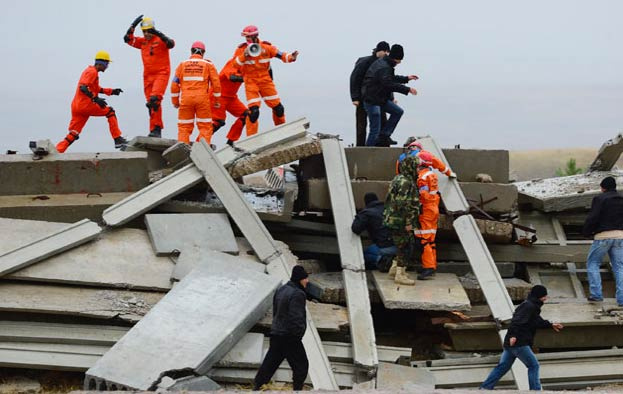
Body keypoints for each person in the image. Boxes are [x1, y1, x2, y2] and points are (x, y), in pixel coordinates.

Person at [480, 285, 564, 390]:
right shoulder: (529, 306)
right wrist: (513, 336)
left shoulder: (531, 306)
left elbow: (537, 321)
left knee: (503, 367)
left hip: (512, 343)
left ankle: (485, 388)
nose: (546, 298)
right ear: (539, 296)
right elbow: (516, 321)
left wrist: (551, 325)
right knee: (533, 365)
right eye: (544, 296)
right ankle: (535, 391)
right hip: (519, 342)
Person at [233, 25, 298, 136]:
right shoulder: (241, 49)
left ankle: (282, 132)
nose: (247, 39)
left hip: (265, 81)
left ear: (255, 36)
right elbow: (235, 64)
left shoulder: (266, 47)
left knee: (279, 109)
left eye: (248, 37)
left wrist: (291, 57)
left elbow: (281, 55)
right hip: (250, 82)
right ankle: (251, 139)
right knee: (254, 113)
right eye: (246, 37)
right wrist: (244, 56)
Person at [56, 51, 126, 153]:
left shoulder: (91, 72)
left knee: (74, 132)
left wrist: (112, 91)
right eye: (107, 64)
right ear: (102, 63)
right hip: (85, 105)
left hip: (77, 106)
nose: (107, 67)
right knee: (110, 111)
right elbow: (83, 87)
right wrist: (95, 99)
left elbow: (96, 89)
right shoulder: (92, 72)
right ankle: (118, 139)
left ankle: (58, 150)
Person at [254, 265, 309, 391]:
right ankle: (297, 390)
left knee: (269, 366)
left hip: (276, 334)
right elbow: (296, 317)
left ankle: (256, 388)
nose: (307, 281)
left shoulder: (281, 290)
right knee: (301, 366)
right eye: (305, 278)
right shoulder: (298, 294)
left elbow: (276, 313)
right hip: (290, 337)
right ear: (300, 279)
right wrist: (298, 335)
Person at [124, 15, 175, 138]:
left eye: (149, 31)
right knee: (149, 103)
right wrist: (132, 26)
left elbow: (171, 43)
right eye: (144, 31)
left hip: (161, 73)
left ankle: (157, 129)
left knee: (154, 99)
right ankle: (154, 129)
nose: (146, 34)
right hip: (147, 76)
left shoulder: (161, 40)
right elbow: (128, 39)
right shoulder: (143, 42)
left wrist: (157, 33)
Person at [361, 44, 418, 147]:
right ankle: (368, 151)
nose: (400, 63)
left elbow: (390, 78)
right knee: (375, 129)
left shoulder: (386, 64)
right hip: (371, 99)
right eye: (399, 60)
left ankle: (384, 136)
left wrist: (406, 78)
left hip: (380, 98)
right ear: (395, 58)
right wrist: (408, 89)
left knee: (398, 111)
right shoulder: (384, 67)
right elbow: (388, 84)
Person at [582, 176, 623, 306]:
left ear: (603, 187)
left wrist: (586, 232)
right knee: (619, 267)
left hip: (602, 237)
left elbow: (593, 217)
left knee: (593, 263)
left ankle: (596, 295)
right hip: (620, 237)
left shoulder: (600, 199)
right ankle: (622, 299)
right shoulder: (621, 200)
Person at [170, 41, 221, 145]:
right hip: (202, 100)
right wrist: (216, 101)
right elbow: (216, 85)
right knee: (205, 126)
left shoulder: (182, 65)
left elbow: (174, 85)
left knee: (184, 127)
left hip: (186, 100)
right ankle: (202, 151)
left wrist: (175, 102)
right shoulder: (208, 65)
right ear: (203, 52)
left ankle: (183, 150)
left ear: (191, 51)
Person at [383, 154, 421, 285]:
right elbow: (402, 204)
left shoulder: (398, 178)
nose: (418, 170)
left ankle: (395, 269)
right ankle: (400, 274)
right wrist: (408, 222)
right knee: (405, 246)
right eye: (417, 167)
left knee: (401, 245)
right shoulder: (406, 182)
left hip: (393, 218)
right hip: (400, 220)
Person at [350, 41, 390, 146]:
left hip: (378, 99)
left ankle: (382, 145)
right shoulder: (364, 61)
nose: (386, 54)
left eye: (388, 52)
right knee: (361, 125)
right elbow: (354, 78)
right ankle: (360, 146)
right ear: (379, 50)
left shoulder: (385, 64)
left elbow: (387, 82)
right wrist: (355, 98)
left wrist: (391, 97)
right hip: (363, 99)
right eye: (385, 51)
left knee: (382, 122)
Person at [351, 192, 397, 270]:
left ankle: (382, 261)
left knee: (363, 255)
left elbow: (355, 228)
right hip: (398, 246)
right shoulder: (388, 209)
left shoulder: (367, 213)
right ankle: (393, 260)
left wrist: (359, 216)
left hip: (384, 247)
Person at [211, 57, 250, 147]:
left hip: (231, 97)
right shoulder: (232, 63)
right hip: (218, 96)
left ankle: (231, 142)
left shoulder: (248, 67)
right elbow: (232, 77)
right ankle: (198, 144)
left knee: (247, 115)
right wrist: (246, 77)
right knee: (218, 122)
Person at [415, 151, 440, 280]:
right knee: (431, 239)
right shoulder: (432, 175)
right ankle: (432, 265)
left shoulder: (422, 178)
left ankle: (428, 267)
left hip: (426, 210)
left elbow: (423, 195)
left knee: (424, 239)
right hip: (433, 208)